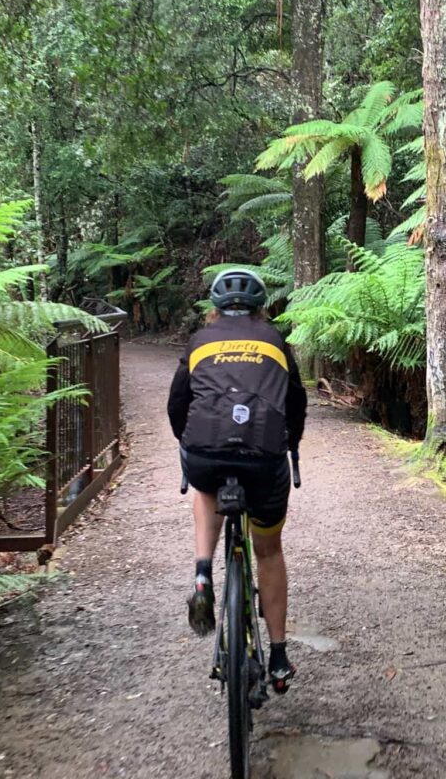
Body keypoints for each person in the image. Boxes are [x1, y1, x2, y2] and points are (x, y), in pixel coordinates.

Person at [167, 267, 306, 689]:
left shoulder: (198, 343)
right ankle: (279, 656)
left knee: (206, 486)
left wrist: (188, 444)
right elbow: (295, 403)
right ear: (261, 308)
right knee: (269, 551)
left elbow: (178, 403)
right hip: (264, 458)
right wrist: (292, 444)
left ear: (215, 308)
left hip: (206, 452)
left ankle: (203, 573)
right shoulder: (276, 342)